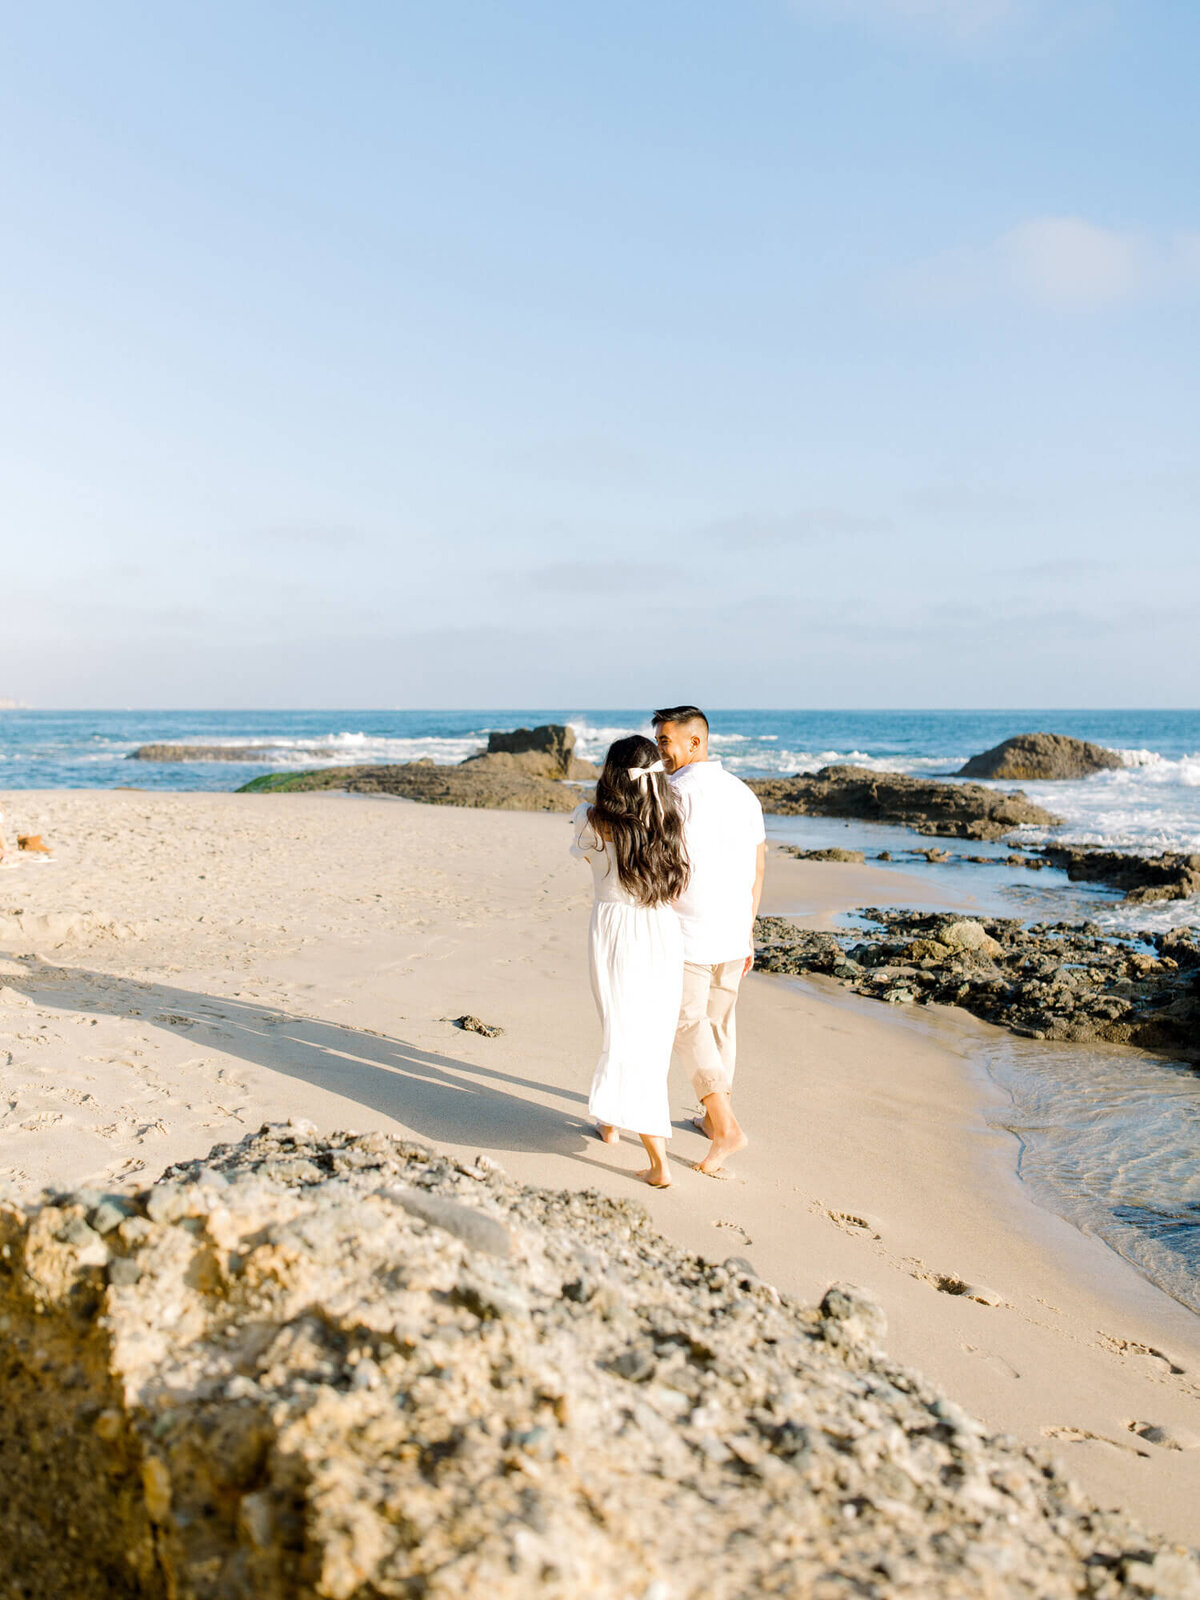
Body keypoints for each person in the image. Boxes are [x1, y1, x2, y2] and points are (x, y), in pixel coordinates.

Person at [570, 734, 689, 1188]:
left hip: (616, 931)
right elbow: (673, 886)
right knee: (648, 1037)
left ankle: (660, 1163)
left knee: (623, 1034)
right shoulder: (669, 821)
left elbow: (597, 870)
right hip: (660, 932)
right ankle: (611, 1120)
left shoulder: (592, 820)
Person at [653, 705, 765, 1175]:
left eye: (665, 743)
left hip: (689, 931)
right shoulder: (744, 794)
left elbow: (657, 865)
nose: (661, 754)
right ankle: (709, 1114)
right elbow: (758, 866)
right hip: (734, 931)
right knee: (718, 1026)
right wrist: (750, 930)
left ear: (694, 742)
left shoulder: (673, 794)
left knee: (686, 1024)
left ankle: (724, 1125)